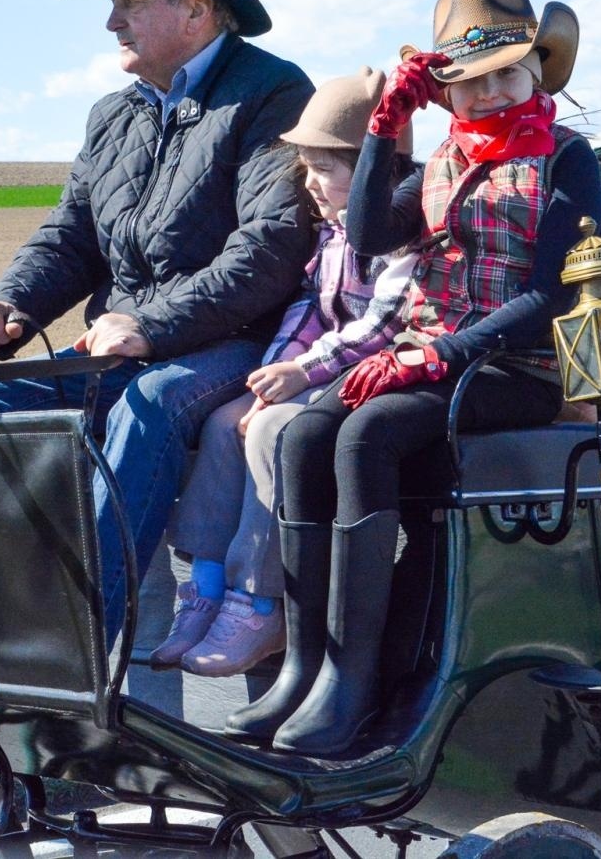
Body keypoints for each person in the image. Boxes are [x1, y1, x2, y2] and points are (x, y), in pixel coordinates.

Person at [224, 0, 601, 755]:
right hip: (429, 357)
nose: (491, 92)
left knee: (367, 436)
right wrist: (383, 132)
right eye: (470, 81)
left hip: (517, 368)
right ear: (446, 92)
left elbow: (548, 297)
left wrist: (438, 355)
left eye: (506, 74)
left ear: (537, 71)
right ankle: (304, 668)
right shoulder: (437, 162)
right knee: (304, 436)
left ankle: (354, 684)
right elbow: (366, 234)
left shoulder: (568, 158)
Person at [0, 0, 314, 643]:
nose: (112, 22)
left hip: (233, 342)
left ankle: (81, 633)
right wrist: (11, 301)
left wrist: (152, 325)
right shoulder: (113, 115)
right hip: (122, 342)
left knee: (152, 401)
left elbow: (272, 245)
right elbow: (72, 234)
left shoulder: (272, 92)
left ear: (197, 9)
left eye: (130, 2)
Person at [150, 69, 419, 677]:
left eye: (323, 168)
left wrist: (301, 371)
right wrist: (273, 374)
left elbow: (383, 324)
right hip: (320, 367)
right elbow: (309, 309)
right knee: (228, 424)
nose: (309, 183)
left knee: (276, 434)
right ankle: (206, 587)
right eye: (306, 167)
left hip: (374, 373)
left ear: (376, 170)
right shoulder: (332, 232)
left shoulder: (406, 233)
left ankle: (258, 602)